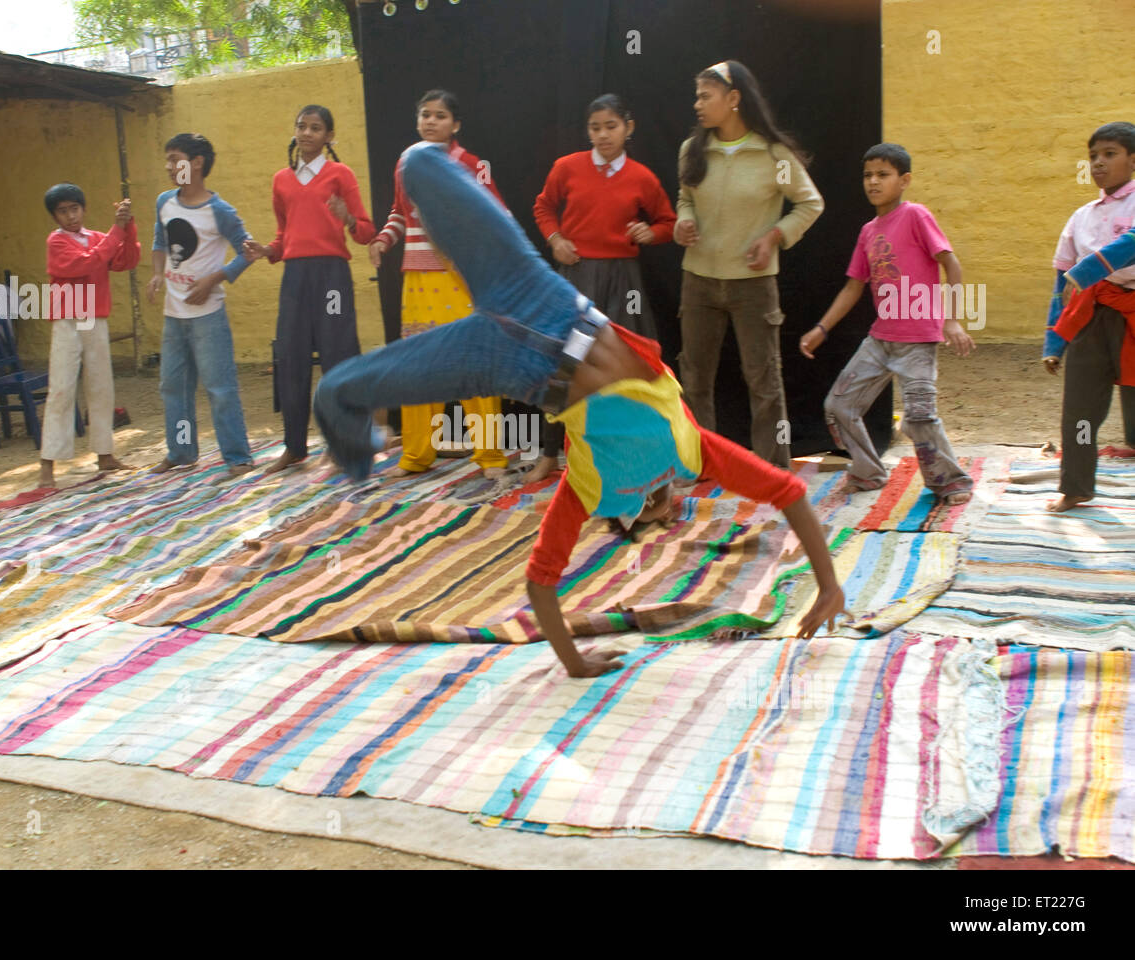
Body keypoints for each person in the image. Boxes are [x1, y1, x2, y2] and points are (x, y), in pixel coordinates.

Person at [313, 141, 845, 677]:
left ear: (630, 516)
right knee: (419, 160)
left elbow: (540, 582)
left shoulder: (587, 485)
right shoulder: (694, 453)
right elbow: (790, 492)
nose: (666, 511)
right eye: (670, 512)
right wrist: (829, 584)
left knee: (336, 392)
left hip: (506, 362)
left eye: (653, 517)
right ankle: (358, 443)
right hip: (539, 293)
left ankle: (356, 450)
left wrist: (575, 662)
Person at [799, 143, 975, 503]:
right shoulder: (868, 231)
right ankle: (867, 471)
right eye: (868, 175)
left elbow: (951, 263)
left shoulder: (916, 216)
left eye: (883, 174)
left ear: (904, 180)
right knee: (839, 406)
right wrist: (822, 328)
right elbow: (853, 286)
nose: (873, 182)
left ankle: (950, 481)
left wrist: (953, 320)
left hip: (918, 342)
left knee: (920, 416)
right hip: (880, 341)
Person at [674, 60, 823, 469]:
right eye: (697, 95)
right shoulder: (693, 150)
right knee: (694, 378)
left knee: (764, 381)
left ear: (734, 98)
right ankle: (699, 464)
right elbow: (685, 199)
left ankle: (772, 471)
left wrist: (775, 236)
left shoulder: (773, 154)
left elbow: (810, 203)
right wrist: (683, 222)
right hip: (698, 280)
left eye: (706, 96)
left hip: (754, 286)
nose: (697, 104)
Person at [526, 93, 677, 484]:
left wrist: (652, 232)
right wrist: (556, 239)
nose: (603, 135)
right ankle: (549, 454)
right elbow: (543, 207)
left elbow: (667, 222)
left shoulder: (643, 177)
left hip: (624, 280)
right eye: (595, 127)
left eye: (611, 126)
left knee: (627, 367)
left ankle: (633, 456)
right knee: (564, 363)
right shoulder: (567, 167)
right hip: (576, 277)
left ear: (629, 128)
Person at [368, 89, 508, 479]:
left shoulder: (470, 164)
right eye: (425, 115)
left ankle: (491, 457)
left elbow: (498, 213)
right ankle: (415, 456)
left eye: (440, 116)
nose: (431, 121)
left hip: (462, 279)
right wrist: (382, 241)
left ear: (455, 125)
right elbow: (399, 213)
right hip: (418, 279)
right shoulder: (405, 164)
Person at [242, 105, 375, 474]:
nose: (307, 133)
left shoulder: (340, 174)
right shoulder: (281, 180)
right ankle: (295, 447)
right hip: (295, 278)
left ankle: (343, 443)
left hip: (332, 277)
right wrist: (268, 251)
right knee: (291, 358)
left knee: (338, 355)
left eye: (316, 128)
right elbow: (285, 237)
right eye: (301, 126)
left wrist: (347, 216)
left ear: (329, 136)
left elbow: (366, 231)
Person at [147, 132, 255, 478]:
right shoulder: (165, 202)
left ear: (197, 163)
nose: (168, 166)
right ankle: (181, 453)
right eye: (167, 159)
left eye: (175, 158)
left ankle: (238, 457)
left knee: (220, 388)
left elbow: (248, 251)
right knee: (172, 387)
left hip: (208, 316)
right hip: (173, 316)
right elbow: (158, 241)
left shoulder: (220, 211)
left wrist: (213, 280)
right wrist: (156, 274)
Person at [1041, 121, 1135, 510]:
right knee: (1080, 412)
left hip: (1132, 316)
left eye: (1109, 154)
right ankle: (1076, 485)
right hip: (1088, 319)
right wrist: (1054, 343)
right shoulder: (1080, 217)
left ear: (1133, 160)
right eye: (1093, 156)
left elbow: (1130, 245)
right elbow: (1062, 286)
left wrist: (1086, 270)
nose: (1098, 163)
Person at [37, 182, 139, 488]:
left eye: (74, 209)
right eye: (63, 211)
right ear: (54, 217)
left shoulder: (97, 237)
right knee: (61, 388)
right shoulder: (56, 242)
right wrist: (117, 230)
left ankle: (105, 453)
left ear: (83, 208)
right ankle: (47, 465)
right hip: (69, 319)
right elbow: (86, 263)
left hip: (94, 317)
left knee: (101, 385)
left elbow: (125, 260)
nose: (70, 216)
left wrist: (129, 226)